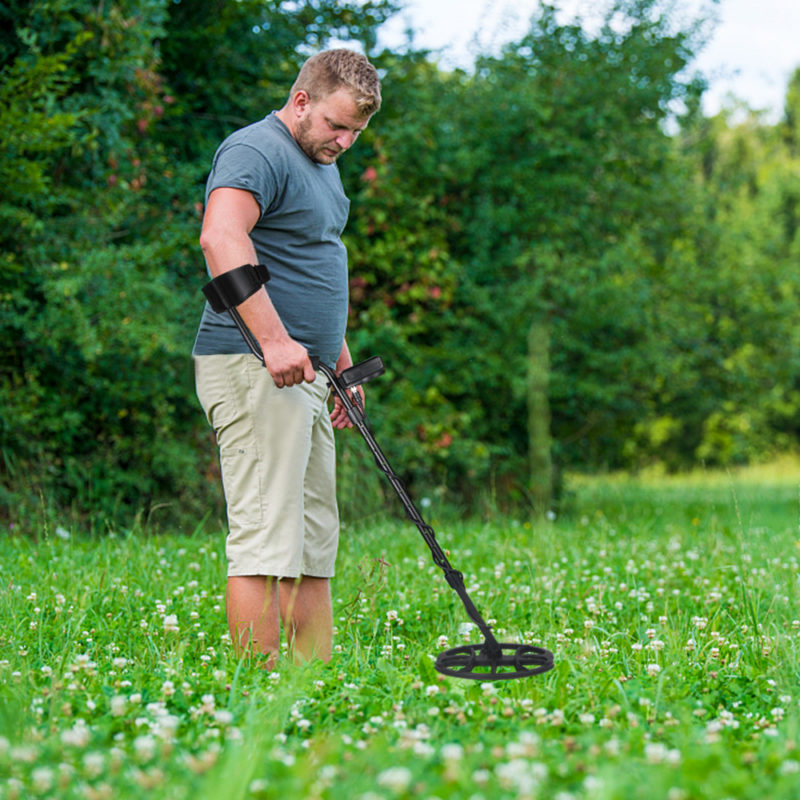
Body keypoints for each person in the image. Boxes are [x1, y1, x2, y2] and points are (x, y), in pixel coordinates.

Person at [192, 49, 381, 666]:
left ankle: (310, 685)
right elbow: (221, 238)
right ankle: (257, 691)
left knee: (311, 541)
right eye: (337, 124)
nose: (345, 141)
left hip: (307, 374)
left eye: (355, 131)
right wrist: (274, 341)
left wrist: (341, 368)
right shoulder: (257, 150)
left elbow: (314, 268)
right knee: (267, 537)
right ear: (302, 100)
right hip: (254, 368)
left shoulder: (321, 163)